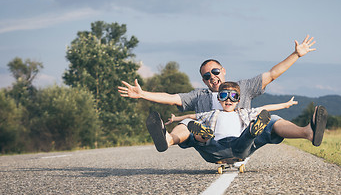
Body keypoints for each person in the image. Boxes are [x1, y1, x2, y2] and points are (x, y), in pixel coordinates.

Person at [118, 35, 327, 153]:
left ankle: (308, 132)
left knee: (272, 120)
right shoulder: (199, 96)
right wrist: (143, 94)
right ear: (203, 81)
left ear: (223, 71)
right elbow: (172, 97)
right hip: (212, 146)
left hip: (244, 140)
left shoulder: (242, 87)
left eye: (215, 72)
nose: (212, 77)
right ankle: (168, 139)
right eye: (207, 76)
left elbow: (272, 74)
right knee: (188, 127)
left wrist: (296, 55)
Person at [162, 81, 300, 163]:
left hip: (238, 145)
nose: (228, 100)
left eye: (233, 96)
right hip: (216, 147)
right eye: (224, 96)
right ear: (219, 100)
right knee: (204, 137)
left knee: (247, 136)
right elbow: (192, 115)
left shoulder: (243, 112)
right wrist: (176, 119)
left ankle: (253, 129)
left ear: (238, 100)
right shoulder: (212, 114)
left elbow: (265, 108)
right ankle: (202, 135)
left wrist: (285, 105)